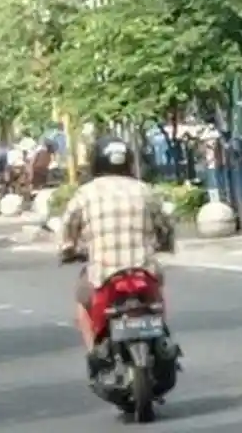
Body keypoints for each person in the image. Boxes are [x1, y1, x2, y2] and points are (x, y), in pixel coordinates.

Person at [59, 135, 175, 374]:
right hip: (143, 269)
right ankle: (161, 337)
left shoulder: (85, 193)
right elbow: (165, 224)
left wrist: (68, 249)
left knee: (83, 302)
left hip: (103, 273)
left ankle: (93, 354)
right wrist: (165, 243)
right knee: (157, 294)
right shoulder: (144, 190)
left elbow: (68, 226)